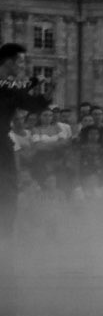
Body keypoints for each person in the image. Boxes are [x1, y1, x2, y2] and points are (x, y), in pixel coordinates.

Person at [0, 44, 53, 239]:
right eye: (20, 61)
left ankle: (5, 236)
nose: (23, 65)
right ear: (8, 61)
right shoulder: (9, 85)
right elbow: (9, 86)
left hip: (1, 141)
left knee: (8, 187)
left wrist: (48, 92)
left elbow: (32, 104)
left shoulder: (12, 86)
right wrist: (31, 82)